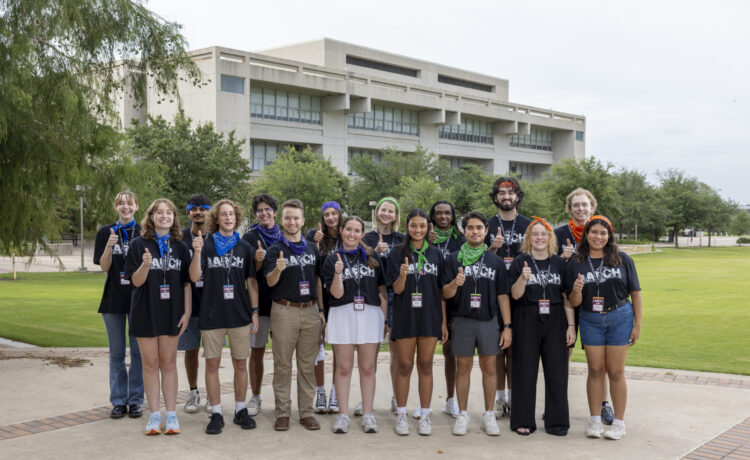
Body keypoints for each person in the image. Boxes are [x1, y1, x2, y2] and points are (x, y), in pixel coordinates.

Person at [566, 215, 642, 440]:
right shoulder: (576, 262)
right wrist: (577, 289)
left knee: (616, 372)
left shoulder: (622, 259)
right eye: (593, 232)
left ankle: (618, 423)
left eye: (603, 233)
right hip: (590, 318)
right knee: (595, 370)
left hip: (620, 316)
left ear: (609, 236)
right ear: (586, 234)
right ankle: (595, 420)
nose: (597, 237)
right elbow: (574, 302)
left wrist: (638, 325)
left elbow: (635, 293)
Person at [190, 199, 259, 434]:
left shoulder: (244, 247)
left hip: (240, 314)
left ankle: (241, 409)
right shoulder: (206, 245)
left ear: (236, 218)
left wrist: (255, 311)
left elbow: (251, 282)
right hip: (212, 314)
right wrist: (197, 252)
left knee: (241, 363)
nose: (228, 218)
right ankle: (217, 412)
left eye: (232, 214)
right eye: (223, 214)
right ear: (216, 218)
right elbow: (194, 275)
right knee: (212, 364)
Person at [124, 198, 192, 435]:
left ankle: (171, 415)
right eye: (159, 212)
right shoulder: (137, 244)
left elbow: (186, 283)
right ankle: (154, 415)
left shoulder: (181, 246)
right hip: (145, 311)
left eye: (169, 213)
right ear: (151, 217)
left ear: (174, 218)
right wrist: (145, 265)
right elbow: (135, 281)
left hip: (172, 312)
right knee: (150, 364)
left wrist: (187, 312)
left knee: (168, 363)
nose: (164, 216)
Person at [441, 211, 511, 436]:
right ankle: (462, 414)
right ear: (464, 230)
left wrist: (507, 326)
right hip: (461, 320)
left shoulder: (496, 261)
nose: (474, 232)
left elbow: (502, 295)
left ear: (486, 231)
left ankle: (489, 413)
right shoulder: (453, 259)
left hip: (488, 321)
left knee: (489, 367)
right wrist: (455, 282)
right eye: (470, 228)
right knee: (463, 367)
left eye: (479, 228)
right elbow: (446, 293)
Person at [509, 217, 576, 436]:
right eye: (535, 234)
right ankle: (523, 420)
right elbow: (515, 295)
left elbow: (567, 297)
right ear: (528, 238)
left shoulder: (559, 263)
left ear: (550, 238)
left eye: (543, 234)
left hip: (556, 318)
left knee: (557, 373)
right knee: (525, 372)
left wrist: (571, 326)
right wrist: (523, 279)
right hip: (527, 316)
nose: (539, 238)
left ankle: (557, 422)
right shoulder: (521, 262)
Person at [553, 188, 615, 424]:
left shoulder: (600, 230)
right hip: (566, 301)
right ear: (569, 208)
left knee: (600, 361)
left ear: (592, 207)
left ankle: (604, 403)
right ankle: (558, 405)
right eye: (576, 205)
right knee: (562, 355)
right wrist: (562, 258)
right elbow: (547, 266)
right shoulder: (558, 234)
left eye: (584, 205)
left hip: (595, 303)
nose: (580, 209)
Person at [264, 199, 326, 432]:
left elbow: (317, 280)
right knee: (282, 364)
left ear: (303, 220)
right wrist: (278, 269)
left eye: (296, 218)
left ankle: (307, 412)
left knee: (307, 365)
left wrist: (320, 310)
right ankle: (282, 412)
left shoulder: (311, 248)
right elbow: (269, 282)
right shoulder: (274, 249)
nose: (292, 222)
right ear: (282, 220)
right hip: (284, 310)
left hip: (309, 310)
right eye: (288, 217)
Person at [321, 216, 387, 434]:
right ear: (341, 230)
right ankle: (342, 415)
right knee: (343, 368)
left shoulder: (372, 256)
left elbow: (382, 292)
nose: (352, 234)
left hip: (369, 314)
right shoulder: (332, 260)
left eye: (356, 230)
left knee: (368, 369)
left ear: (361, 234)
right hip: (342, 314)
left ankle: (368, 414)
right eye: (348, 229)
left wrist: (385, 319)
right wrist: (338, 273)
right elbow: (336, 293)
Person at [386, 208, 447, 436]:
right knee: (404, 365)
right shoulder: (396, 253)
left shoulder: (436, 254)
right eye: (413, 225)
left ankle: (425, 414)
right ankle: (401, 414)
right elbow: (396, 289)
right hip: (405, 315)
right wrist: (402, 273)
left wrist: (442, 322)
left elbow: (441, 292)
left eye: (422, 226)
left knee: (426, 365)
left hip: (430, 316)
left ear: (428, 227)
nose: (418, 230)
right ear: (407, 227)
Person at [93, 191, 144, 420]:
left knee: (138, 354)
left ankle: (135, 401)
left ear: (136, 206)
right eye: (121, 204)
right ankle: (118, 401)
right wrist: (109, 247)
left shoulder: (144, 232)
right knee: (116, 354)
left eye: (129, 203)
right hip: (113, 298)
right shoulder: (106, 232)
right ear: (115, 207)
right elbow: (104, 267)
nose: (125, 207)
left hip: (138, 299)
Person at [485, 176, 532, 419]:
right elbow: (475, 259)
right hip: (492, 294)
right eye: (501, 193)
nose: (506, 196)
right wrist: (492, 248)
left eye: (510, 193)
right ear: (495, 197)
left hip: (520, 295)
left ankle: (514, 399)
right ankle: (498, 399)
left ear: (517, 197)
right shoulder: (485, 224)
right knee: (496, 350)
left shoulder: (529, 225)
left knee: (515, 350)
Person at [362, 197, 404, 414]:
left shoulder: (402, 238)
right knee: (372, 350)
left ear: (396, 215)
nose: (387, 213)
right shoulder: (366, 237)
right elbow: (360, 265)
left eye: (391, 211)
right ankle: (365, 398)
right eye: (383, 209)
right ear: (377, 212)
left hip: (397, 294)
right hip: (374, 294)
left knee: (396, 352)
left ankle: (398, 397)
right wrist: (374, 253)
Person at [241, 193, 282, 416]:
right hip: (259, 303)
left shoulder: (286, 235)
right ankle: (255, 396)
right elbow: (248, 275)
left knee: (281, 353)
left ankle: (280, 397)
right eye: (259, 211)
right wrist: (257, 262)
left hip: (283, 303)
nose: (264, 214)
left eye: (268, 209)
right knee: (256, 351)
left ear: (275, 212)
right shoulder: (249, 237)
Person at [424, 200, 465, 419]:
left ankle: (451, 400)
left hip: (453, 300)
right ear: (432, 216)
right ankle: (424, 404)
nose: (443, 217)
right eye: (438, 213)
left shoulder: (461, 239)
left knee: (451, 353)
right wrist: (426, 243)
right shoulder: (422, 239)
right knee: (425, 355)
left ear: (452, 216)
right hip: (428, 299)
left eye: (447, 213)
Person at [306, 201, 343, 414]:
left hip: (341, 297)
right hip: (320, 295)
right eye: (326, 214)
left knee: (339, 347)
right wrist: (316, 245)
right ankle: (320, 391)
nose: (330, 217)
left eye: (334, 213)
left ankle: (336, 392)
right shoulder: (315, 235)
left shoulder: (346, 234)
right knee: (317, 346)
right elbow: (313, 268)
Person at [179, 194, 211, 414]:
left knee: (212, 353)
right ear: (188, 212)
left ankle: (212, 394)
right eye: (194, 208)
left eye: (203, 208)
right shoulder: (178, 238)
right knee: (191, 351)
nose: (199, 212)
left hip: (212, 305)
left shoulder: (218, 237)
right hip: (188, 305)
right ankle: (193, 391)